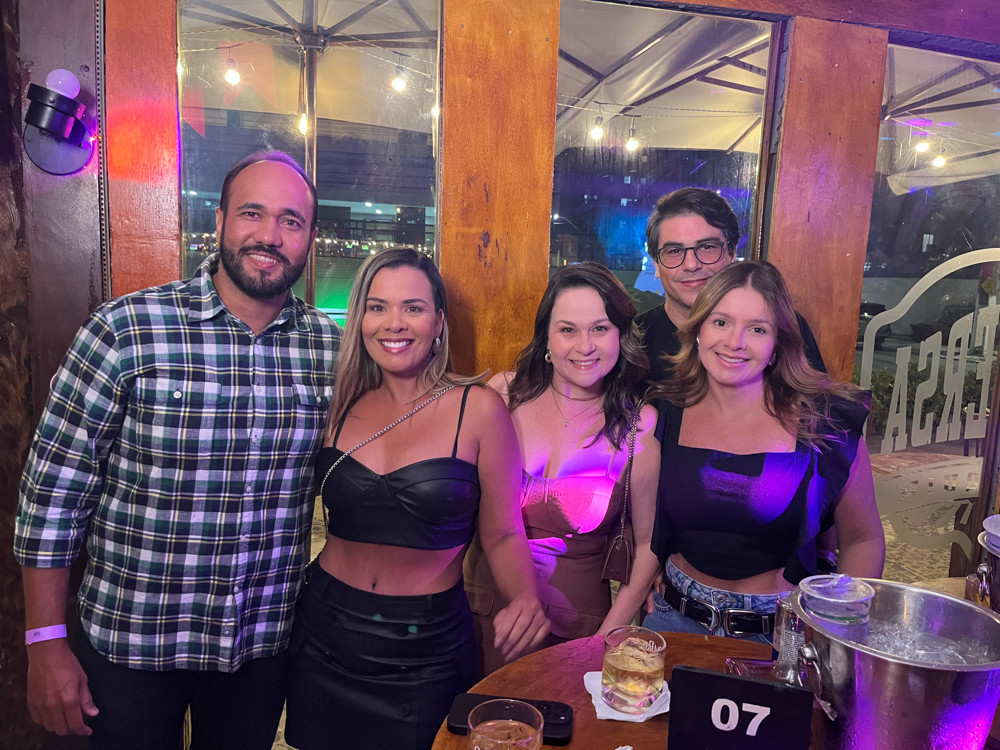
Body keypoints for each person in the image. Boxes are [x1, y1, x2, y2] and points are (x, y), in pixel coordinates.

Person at [15, 151, 340, 749]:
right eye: (252, 213)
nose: (269, 236)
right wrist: (44, 642)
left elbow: (396, 422)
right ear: (219, 221)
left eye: (291, 221)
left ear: (310, 239)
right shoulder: (126, 330)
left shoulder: (331, 349)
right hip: (130, 645)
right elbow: (51, 500)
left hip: (258, 648)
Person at [284, 247, 549, 750]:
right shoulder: (337, 403)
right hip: (324, 633)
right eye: (377, 307)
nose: (394, 323)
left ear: (439, 322)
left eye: (413, 307)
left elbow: (502, 531)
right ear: (360, 320)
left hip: (426, 649)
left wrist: (524, 596)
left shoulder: (478, 408)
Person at [642, 261, 885, 642]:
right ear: (698, 331)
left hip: (780, 628)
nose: (734, 341)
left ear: (777, 346)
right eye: (721, 322)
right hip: (673, 617)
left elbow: (862, 540)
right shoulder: (663, 411)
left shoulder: (825, 422)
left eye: (757, 329)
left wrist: (835, 629)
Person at [464, 263, 661, 676]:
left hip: (576, 632)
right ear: (547, 340)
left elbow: (646, 547)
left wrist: (605, 641)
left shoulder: (638, 426)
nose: (585, 346)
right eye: (568, 329)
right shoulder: (503, 395)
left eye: (600, 329)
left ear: (620, 336)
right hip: (476, 614)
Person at [637, 187, 825, 386]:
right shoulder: (632, 341)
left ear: (732, 253)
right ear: (656, 264)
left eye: (707, 247)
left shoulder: (781, 325)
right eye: (674, 251)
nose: (691, 265)